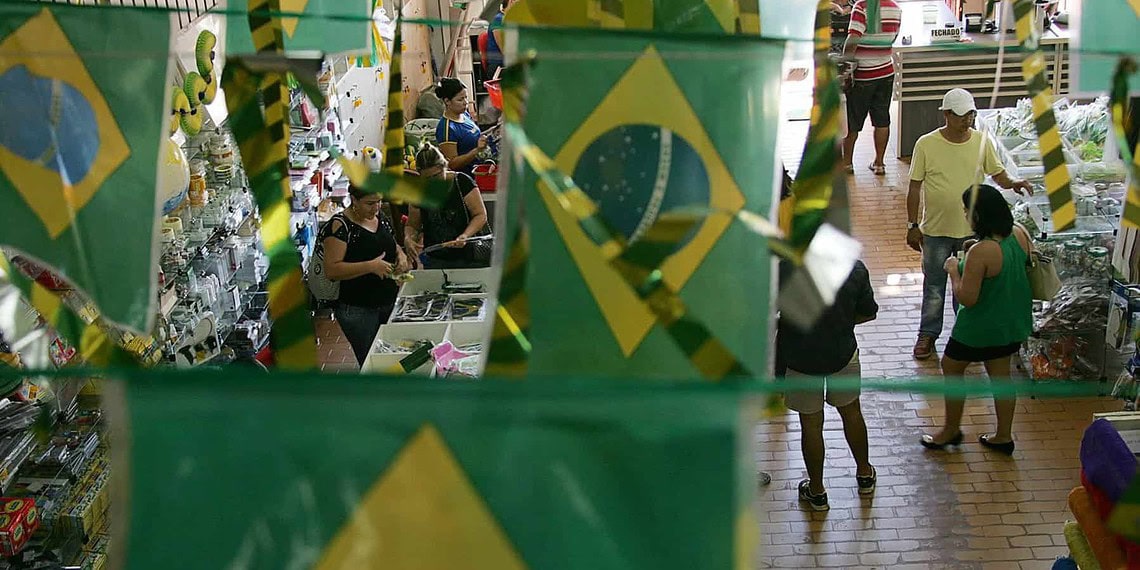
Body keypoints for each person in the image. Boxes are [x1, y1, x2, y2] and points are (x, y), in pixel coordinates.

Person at [908, 88, 1032, 360]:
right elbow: (914, 187)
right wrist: (912, 225)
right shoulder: (926, 144)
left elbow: (997, 174)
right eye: (961, 116)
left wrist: (1014, 183)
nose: (967, 121)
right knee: (934, 286)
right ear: (946, 114)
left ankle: (964, 334)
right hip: (936, 231)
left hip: (971, 233)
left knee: (968, 286)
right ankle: (928, 334)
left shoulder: (981, 142)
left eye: (971, 115)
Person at [920, 185, 1033, 455]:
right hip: (1010, 322)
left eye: (966, 210)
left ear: (978, 215)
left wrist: (953, 270)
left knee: (951, 366)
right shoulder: (1018, 234)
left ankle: (950, 430)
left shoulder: (981, 251)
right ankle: (1003, 436)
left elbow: (967, 298)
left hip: (979, 327)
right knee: (1001, 377)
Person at [777, 260, 879, 512]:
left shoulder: (785, 269)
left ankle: (817, 491)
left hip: (800, 359)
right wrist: (841, 324)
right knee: (852, 413)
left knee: (811, 425)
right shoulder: (854, 268)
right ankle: (865, 474)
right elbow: (868, 312)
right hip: (841, 353)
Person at [321, 187, 410, 367]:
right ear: (354, 199)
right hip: (358, 309)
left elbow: (391, 244)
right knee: (373, 362)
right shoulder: (339, 226)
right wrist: (370, 266)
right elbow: (332, 270)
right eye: (370, 203)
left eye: (379, 202)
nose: (376, 207)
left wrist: (401, 255)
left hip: (387, 300)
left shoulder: (379, 217)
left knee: (393, 356)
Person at [404, 142, 490, 269]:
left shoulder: (462, 182)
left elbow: (480, 215)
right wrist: (408, 239)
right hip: (436, 258)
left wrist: (465, 235)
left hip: (469, 255)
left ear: (445, 166)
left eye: (437, 175)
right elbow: (412, 225)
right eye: (427, 178)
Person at [841, 0, 901, 175]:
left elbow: (853, 39)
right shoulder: (896, 8)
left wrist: (844, 66)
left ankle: (847, 164)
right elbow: (893, 38)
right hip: (886, 72)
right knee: (882, 119)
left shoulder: (862, 6)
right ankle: (879, 164)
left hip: (863, 74)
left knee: (853, 121)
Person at [434, 78, 486, 176]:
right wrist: (476, 150)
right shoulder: (446, 129)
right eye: (460, 99)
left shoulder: (464, 114)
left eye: (466, 97)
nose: (465, 102)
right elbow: (452, 164)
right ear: (447, 101)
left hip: (479, 168)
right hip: (467, 176)